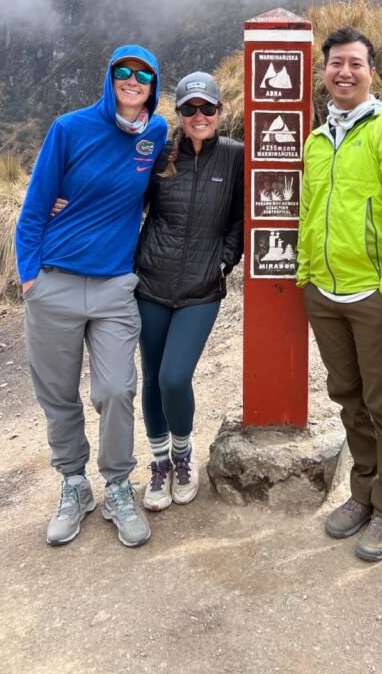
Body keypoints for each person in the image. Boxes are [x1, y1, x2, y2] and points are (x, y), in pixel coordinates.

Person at [15, 46, 168, 548]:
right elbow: (35, 207)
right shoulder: (69, 128)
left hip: (114, 286)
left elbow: (158, 190)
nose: (132, 80)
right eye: (123, 71)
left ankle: (118, 485)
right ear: (109, 78)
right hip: (54, 281)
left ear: (153, 85)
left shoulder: (156, 133)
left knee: (116, 389)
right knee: (57, 393)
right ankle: (74, 484)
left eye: (143, 75)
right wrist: (30, 278)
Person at [296, 27, 382, 562]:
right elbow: (309, 210)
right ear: (324, 72)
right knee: (349, 398)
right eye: (335, 63)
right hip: (324, 293)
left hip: (374, 294)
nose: (344, 72)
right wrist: (306, 274)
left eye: (355, 63)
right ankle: (364, 491)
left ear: (372, 72)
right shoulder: (316, 140)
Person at [134, 72, 243, 511]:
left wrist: (224, 260)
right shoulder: (160, 156)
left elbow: (240, 218)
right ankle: (160, 462)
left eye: (207, 108)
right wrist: (63, 203)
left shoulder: (235, 156)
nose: (199, 116)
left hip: (201, 288)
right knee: (151, 378)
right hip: (151, 283)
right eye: (189, 109)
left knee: (173, 377)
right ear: (178, 114)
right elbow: (123, 201)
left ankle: (182, 453)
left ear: (220, 111)